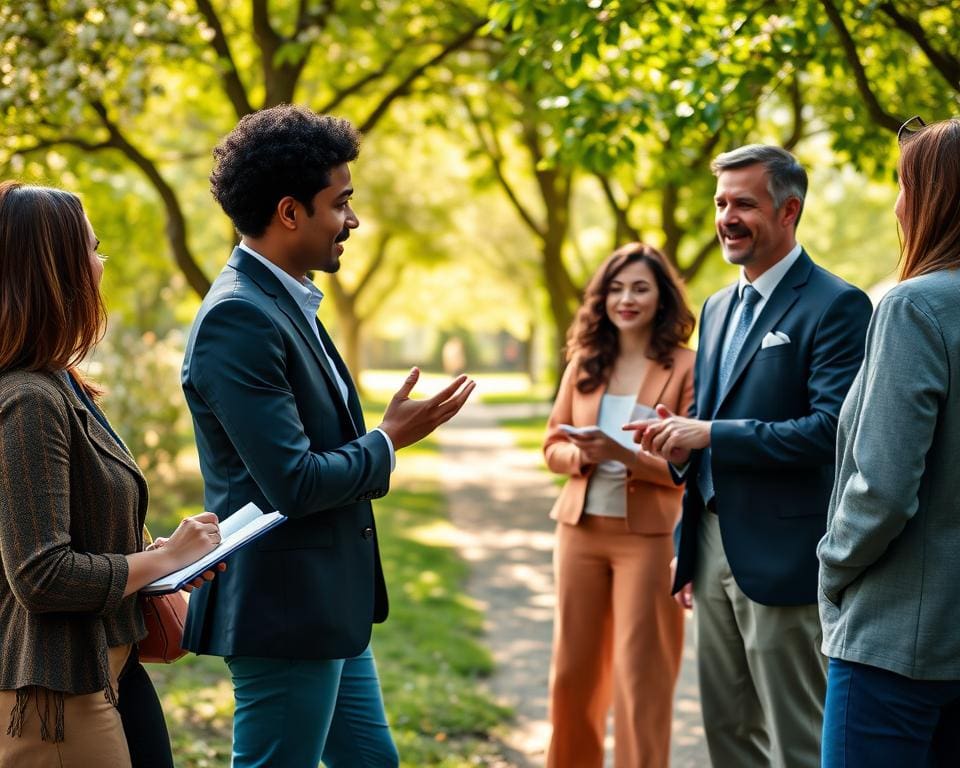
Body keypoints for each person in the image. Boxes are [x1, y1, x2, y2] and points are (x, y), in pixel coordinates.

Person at [180, 104, 476, 767]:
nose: (353, 220)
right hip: (284, 610)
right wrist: (388, 441)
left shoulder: (285, 299)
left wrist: (385, 440)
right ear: (290, 212)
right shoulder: (239, 317)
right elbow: (294, 482)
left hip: (324, 606)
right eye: (341, 203)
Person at [629, 145, 873, 768]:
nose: (726, 218)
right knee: (727, 733)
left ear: (789, 211)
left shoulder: (838, 304)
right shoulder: (715, 307)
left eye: (744, 204)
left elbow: (831, 432)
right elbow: (704, 423)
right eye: (720, 203)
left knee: (797, 738)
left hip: (784, 554)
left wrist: (710, 434)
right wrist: (676, 442)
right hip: (710, 545)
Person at [0, 181, 223, 766]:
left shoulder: (60, 383)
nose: (102, 265)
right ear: (56, 271)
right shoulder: (28, 400)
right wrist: (163, 562)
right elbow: (41, 575)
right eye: (92, 250)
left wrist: (160, 559)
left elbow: (76, 532)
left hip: (113, 663)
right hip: (60, 687)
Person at [817, 117, 960, 767]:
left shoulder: (914, 307)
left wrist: (832, 566)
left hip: (894, 640)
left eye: (904, 186)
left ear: (934, 198)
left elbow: (882, 488)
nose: (899, 205)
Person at [542, 243, 695, 767]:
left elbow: (688, 466)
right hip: (579, 533)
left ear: (662, 298)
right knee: (572, 672)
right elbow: (551, 445)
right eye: (616, 288)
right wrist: (582, 455)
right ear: (602, 297)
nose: (626, 299)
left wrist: (622, 454)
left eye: (640, 288)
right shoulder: (585, 363)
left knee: (642, 677)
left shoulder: (687, 367)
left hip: (649, 541)